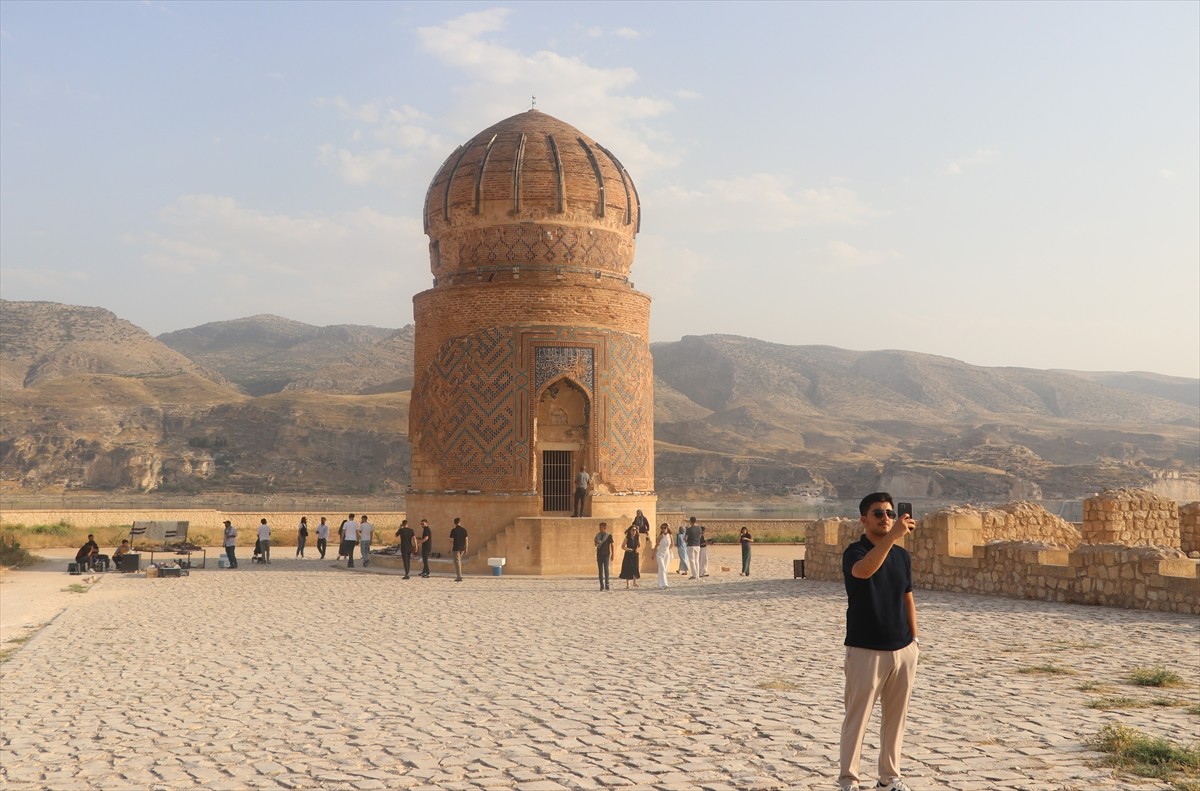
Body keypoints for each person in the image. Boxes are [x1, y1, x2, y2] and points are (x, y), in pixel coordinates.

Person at [838, 492, 920, 791]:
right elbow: (865, 570)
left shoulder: (902, 556)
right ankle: (849, 780)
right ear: (864, 520)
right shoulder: (855, 552)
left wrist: (914, 640)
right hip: (865, 648)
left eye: (889, 513)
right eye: (878, 513)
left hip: (902, 648)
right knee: (857, 718)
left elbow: (907, 596)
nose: (886, 518)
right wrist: (893, 537)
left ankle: (889, 777)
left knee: (896, 720)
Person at [594, 522, 614, 591]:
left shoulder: (609, 535)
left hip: (606, 555)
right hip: (599, 554)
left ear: (604, 528)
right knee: (600, 570)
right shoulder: (597, 535)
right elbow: (595, 545)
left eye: (601, 527)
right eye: (599, 527)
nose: (600, 529)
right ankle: (601, 585)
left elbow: (612, 545)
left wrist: (612, 554)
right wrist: (597, 542)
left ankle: (607, 584)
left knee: (606, 569)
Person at [654, 523, 673, 589]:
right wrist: (653, 554)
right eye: (662, 528)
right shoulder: (660, 536)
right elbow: (656, 545)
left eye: (664, 528)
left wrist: (668, 550)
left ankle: (660, 584)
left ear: (667, 528)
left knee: (664, 569)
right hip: (660, 554)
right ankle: (665, 583)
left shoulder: (670, 535)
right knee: (662, 568)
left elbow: (672, 544)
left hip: (667, 554)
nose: (663, 529)